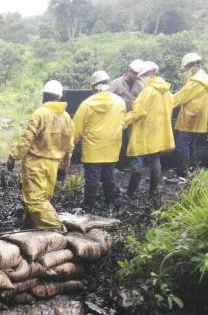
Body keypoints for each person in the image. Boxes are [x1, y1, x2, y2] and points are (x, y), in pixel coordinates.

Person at [9, 80, 74, 231]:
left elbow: (27, 138)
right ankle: (27, 229)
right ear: (59, 97)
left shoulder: (40, 113)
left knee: (35, 200)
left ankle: (56, 229)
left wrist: (14, 156)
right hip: (53, 165)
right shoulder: (66, 118)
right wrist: (64, 166)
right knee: (43, 198)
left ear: (44, 95)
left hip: (36, 163)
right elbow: (69, 146)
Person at [72, 70, 126, 212]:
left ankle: (88, 207)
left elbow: (76, 130)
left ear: (93, 87)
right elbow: (122, 122)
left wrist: (68, 147)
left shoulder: (86, 104)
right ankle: (109, 205)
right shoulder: (120, 102)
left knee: (92, 179)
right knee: (109, 177)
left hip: (93, 149)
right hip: (112, 148)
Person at [124, 61, 175, 203]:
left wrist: (123, 120)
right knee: (155, 161)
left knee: (137, 161)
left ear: (153, 73)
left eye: (145, 75)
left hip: (145, 132)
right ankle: (153, 192)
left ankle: (130, 193)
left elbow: (138, 112)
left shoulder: (148, 91)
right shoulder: (167, 92)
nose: (143, 78)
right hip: (159, 133)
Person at [173, 52, 208, 176]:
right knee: (190, 145)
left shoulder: (197, 81)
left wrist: (164, 104)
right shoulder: (205, 78)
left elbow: (181, 97)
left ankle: (183, 173)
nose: (186, 71)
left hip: (190, 118)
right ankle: (193, 170)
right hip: (198, 118)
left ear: (193, 66)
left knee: (182, 145)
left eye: (186, 68)